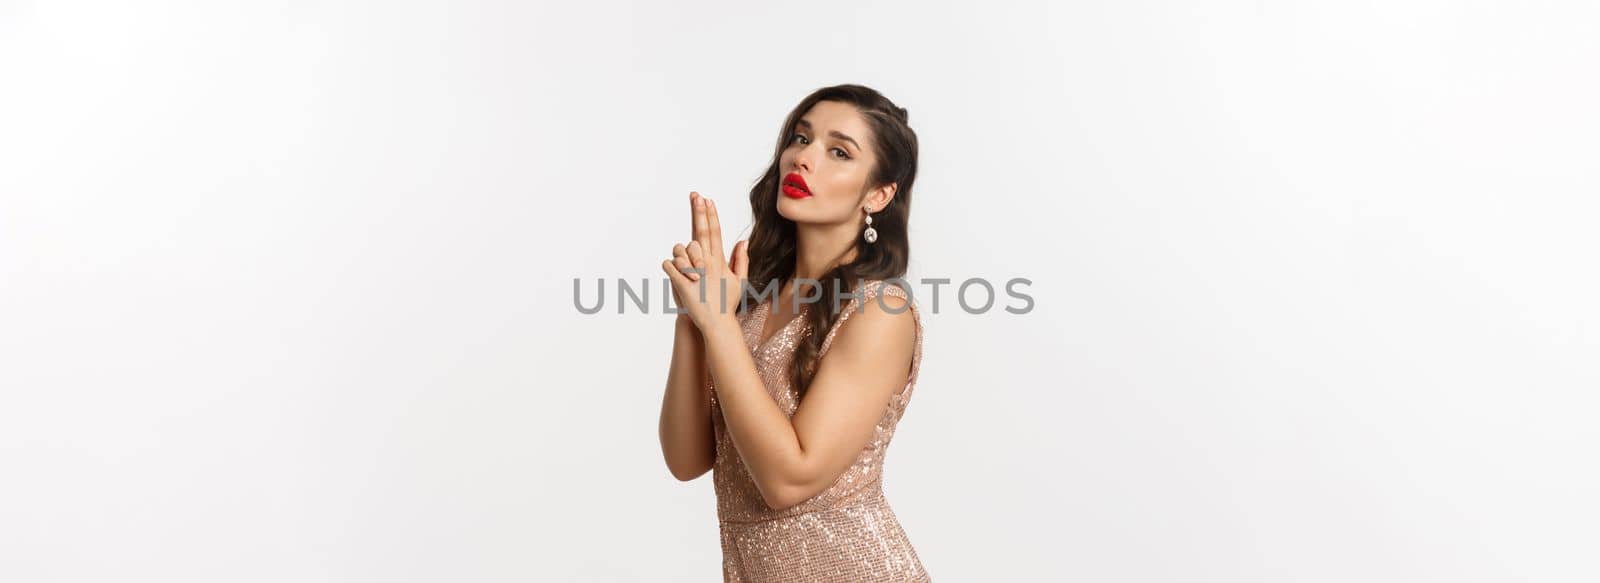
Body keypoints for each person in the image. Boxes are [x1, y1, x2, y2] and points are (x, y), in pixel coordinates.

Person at [657, 84, 929, 582]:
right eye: (800, 138)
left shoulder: (879, 311)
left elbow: (787, 480)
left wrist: (718, 324)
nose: (803, 158)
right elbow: (686, 458)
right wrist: (694, 319)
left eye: (838, 151)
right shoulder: (754, 304)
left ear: (879, 193)